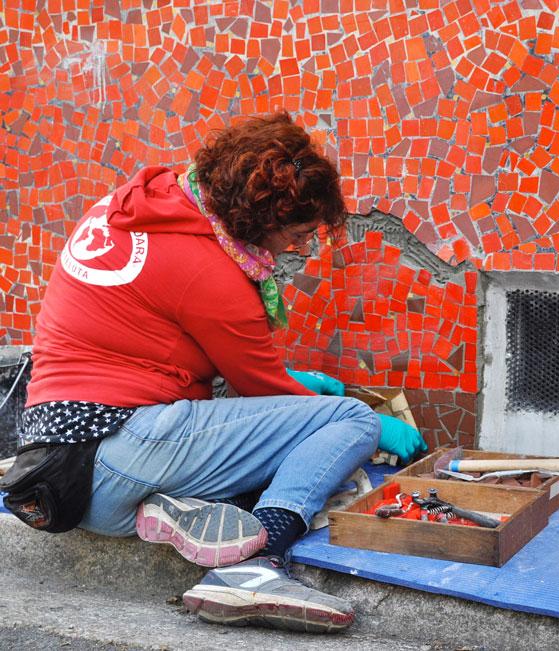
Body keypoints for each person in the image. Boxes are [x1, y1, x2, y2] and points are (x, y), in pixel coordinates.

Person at [11, 112, 427, 633]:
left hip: (60, 476)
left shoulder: (147, 200)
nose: (297, 250)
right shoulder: (212, 274)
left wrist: (291, 385)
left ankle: (173, 507)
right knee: (349, 421)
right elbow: (263, 388)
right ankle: (256, 567)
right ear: (259, 221)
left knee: (258, 432)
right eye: (297, 235)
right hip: (123, 452)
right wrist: (363, 419)